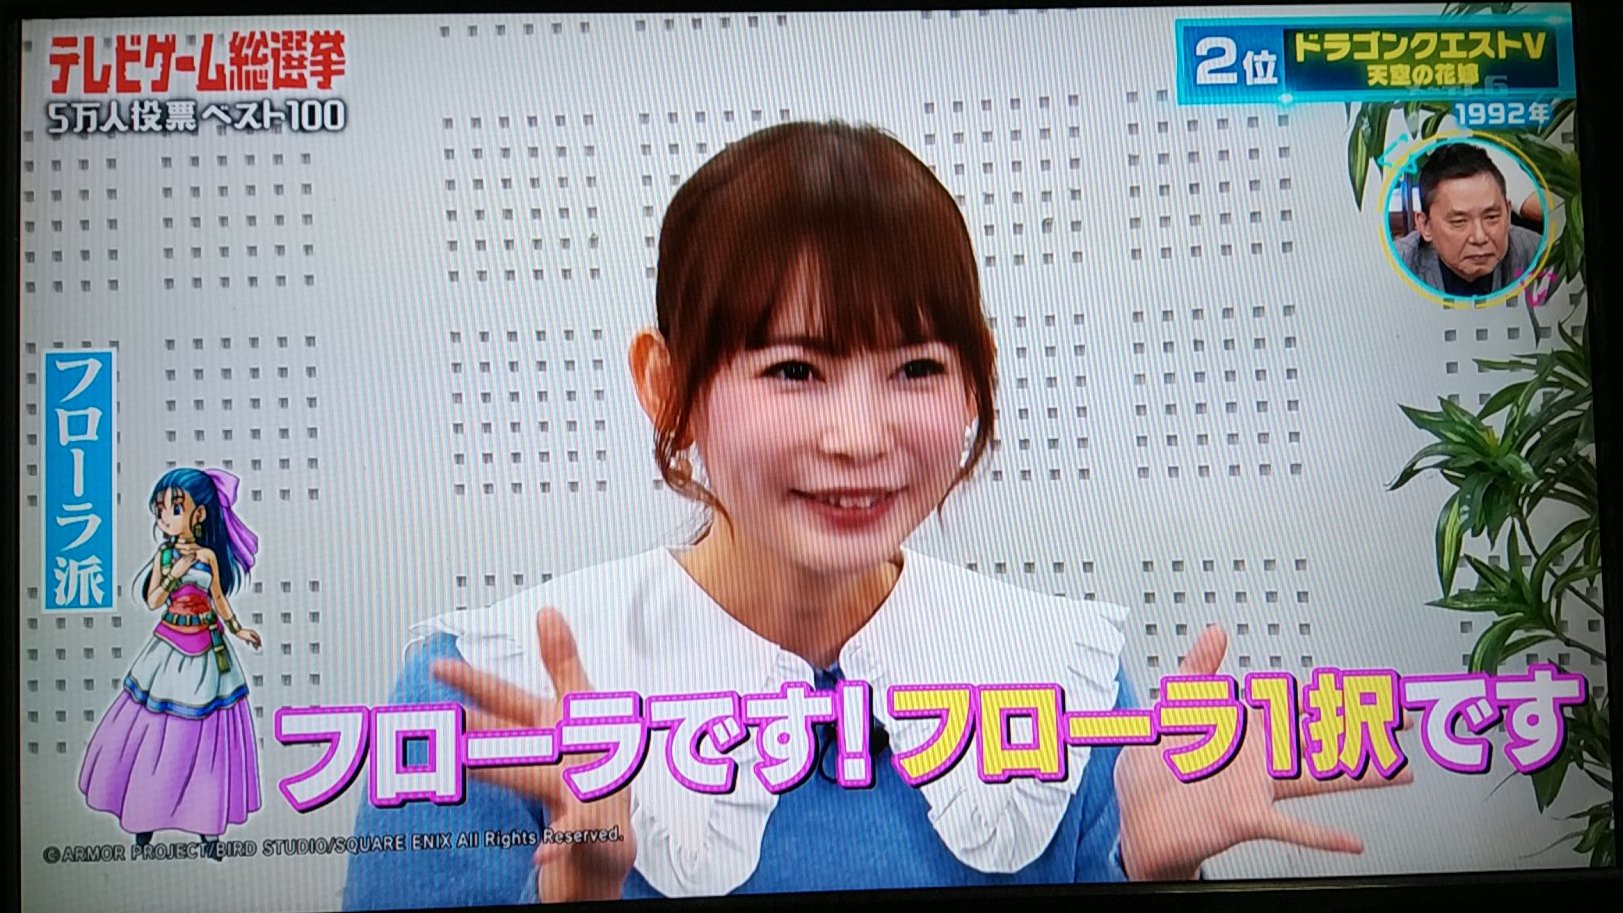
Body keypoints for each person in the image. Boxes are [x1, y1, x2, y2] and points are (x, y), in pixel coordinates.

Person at [344, 121, 1408, 908]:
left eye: (916, 368)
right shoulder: (488, 689)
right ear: (667, 387)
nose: (859, 436)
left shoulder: (1060, 669)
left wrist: (1146, 869)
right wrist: (577, 889)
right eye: (794, 368)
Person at [79, 467, 265, 854]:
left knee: (205, 738)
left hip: (209, 651)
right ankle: (143, 820)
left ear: (200, 514)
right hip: (168, 650)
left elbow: (218, 598)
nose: (165, 516)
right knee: (157, 735)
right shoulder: (165, 555)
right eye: (161, 509)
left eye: (175, 508)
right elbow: (153, 600)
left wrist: (239, 629)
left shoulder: (209, 556)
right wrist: (175, 573)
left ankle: (207, 828)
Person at [1394, 141, 1542, 298]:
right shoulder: (1395, 266)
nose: (1479, 237)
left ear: (1507, 213)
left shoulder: (1538, 253)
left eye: (1491, 217)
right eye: (1459, 222)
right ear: (1425, 226)